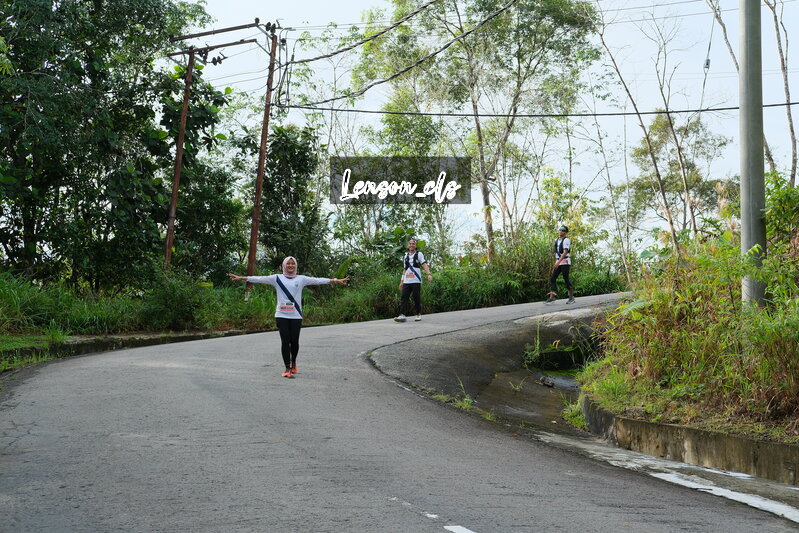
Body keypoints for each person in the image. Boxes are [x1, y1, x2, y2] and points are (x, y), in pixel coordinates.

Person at [228, 257, 348, 378]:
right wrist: (241, 278)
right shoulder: (276, 278)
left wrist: (336, 280)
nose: (290, 265)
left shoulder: (301, 279)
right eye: (288, 263)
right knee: (285, 341)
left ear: (295, 265)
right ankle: (287, 368)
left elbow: (318, 280)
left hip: (296, 315)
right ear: (284, 265)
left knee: (294, 341)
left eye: (292, 263)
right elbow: (259, 279)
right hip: (281, 315)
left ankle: (293, 362)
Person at [394, 239, 433, 322]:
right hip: (407, 280)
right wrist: (401, 281)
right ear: (408, 245)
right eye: (410, 244)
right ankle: (402, 315)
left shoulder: (419, 254)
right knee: (404, 297)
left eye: (413, 244)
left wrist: (429, 274)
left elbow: (424, 264)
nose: (411, 245)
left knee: (416, 297)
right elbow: (405, 269)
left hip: (416, 280)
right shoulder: (405, 256)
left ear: (416, 246)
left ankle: (418, 314)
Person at [546, 225, 575, 304]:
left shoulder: (566, 240)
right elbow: (556, 252)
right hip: (558, 261)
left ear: (566, 233)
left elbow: (565, 252)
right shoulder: (556, 240)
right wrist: (556, 261)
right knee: (553, 278)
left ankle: (571, 297)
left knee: (566, 279)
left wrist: (558, 262)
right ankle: (552, 296)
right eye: (560, 230)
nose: (561, 231)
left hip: (565, 261)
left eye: (563, 230)